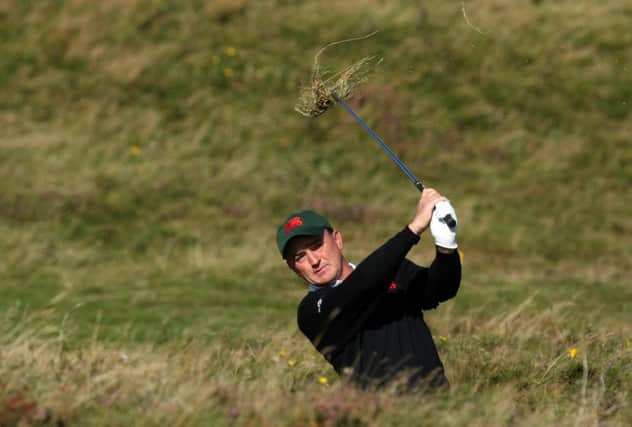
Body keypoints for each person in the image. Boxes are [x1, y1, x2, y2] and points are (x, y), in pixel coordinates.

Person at [276, 188, 462, 392]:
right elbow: (358, 288)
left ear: (337, 240)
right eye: (300, 257)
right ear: (293, 268)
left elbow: (441, 290)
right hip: (381, 414)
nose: (314, 261)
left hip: (439, 404)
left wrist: (446, 247)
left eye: (317, 245)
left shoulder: (395, 271)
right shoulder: (311, 311)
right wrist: (414, 229)